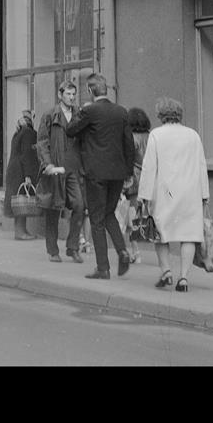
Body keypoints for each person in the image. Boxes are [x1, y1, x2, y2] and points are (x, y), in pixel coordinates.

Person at [65, 73, 136, 280]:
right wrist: (128, 172)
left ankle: (103, 268)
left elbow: (70, 130)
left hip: (95, 173)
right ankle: (122, 251)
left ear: (90, 90)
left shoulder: (89, 111)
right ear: (106, 90)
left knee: (96, 218)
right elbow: (128, 144)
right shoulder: (121, 112)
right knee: (108, 213)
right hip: (117, 173)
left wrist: (81, 113)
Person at [137, 97, 209, 293]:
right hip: (190, 192)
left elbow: (149, 167)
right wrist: (204, 194)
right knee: (188, 235)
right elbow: (201, 165)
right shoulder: (193, 135)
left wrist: (144, 195)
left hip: (164, 191)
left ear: (161, 115)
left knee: (161, 233)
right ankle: (183, 278)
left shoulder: (156, 135)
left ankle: (167, 271)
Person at [36, 81, 86, 264]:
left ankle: (72, 248)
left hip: (73, 169)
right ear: (60, 95)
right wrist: (47, 164)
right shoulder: (50, 115)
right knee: (53, 209)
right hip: (55, 168)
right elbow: (42, 141)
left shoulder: (79, 115)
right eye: (68, 94)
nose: (72, 98)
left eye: (74, 94)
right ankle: (52, 250)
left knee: (80, 206)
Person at [3, 109, 40, 240]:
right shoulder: (29, 133)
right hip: (21, 171)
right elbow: (27, 155)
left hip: (14, 170)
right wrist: (28, 175)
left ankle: (22, 230)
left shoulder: (18, 132)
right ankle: (20, 232)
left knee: (19, 201)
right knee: (22, 199)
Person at [123, 107, 151, 264]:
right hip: (149, 179)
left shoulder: (130, 138)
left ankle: (135, 251)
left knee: (131, 216)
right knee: (145, 215)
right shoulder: (151, 136)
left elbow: (127, 160)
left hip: (133, 179)